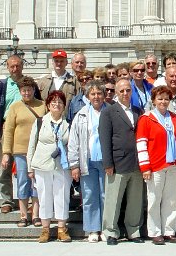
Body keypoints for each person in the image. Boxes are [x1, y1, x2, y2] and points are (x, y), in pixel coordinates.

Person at [99, 78, 145, 246]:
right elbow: (104, 139)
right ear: (116, 93)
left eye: (128, 90)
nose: (125, 93)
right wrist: (108, 163)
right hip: (117, 163)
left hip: (137, 163)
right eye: (122, 91)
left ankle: (133, 230)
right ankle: (110, 232)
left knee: (135, 200)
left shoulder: (138, 111)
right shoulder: (108, 112)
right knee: (113, 199)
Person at [0, 55, 33, 213]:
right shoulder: (2, 86)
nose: (15, 69)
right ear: (7, 67)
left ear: (22, 66)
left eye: (18, 66)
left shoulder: (30, 84)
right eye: (12, 66)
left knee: (27, 167)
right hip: (7, 128)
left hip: (26, 129)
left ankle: (28, 199)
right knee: (5, 166)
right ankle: (7, 200)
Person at [137, 86, 176, 245]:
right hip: (154, 166)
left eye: (166, 99)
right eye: (160, 98)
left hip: (173, 164)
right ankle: (155, 232)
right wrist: (145, 167)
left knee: (172, 200)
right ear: (154, 100)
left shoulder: (175, 118)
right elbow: (141, 143)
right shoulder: (146, 118)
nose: (163, 101)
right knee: (154, 200)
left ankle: (169, 231)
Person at [1, 75, 46, 227]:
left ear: (34, 90)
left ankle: (36, 215)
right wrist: (6, 153)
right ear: (20, 91)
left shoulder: (42, 105)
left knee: (36, 183)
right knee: (23, 181)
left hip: (39, 151)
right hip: (20, 151)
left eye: (29, 90)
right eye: (24, 90)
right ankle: (23, 215)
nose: (27, 93)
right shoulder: (14, 107)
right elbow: (8, 131)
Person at [27, 90, 71, 243]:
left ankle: (61, 229)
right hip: (42, 164)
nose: (56, 105)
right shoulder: (40, 122)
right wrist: (30, 168)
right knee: (44, 196)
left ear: (64, 106)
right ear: (48, 105)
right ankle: (45, 229)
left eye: (60, 102)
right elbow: (31, 145)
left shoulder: (68, 123)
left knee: (62, 196)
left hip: (62, 165)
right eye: (53, 102)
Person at [68, 81, 108, 243]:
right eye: (93, 94)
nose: (96, 97)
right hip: (88, 160)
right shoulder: (81, 114)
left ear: (104, 95)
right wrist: (74, 165)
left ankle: (106, 228)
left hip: (106, 161)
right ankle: (92, 229)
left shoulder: (110, 111)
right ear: (88, 96)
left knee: (106, 195)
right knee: (90, 195)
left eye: (99, 93)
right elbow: (73, 141)